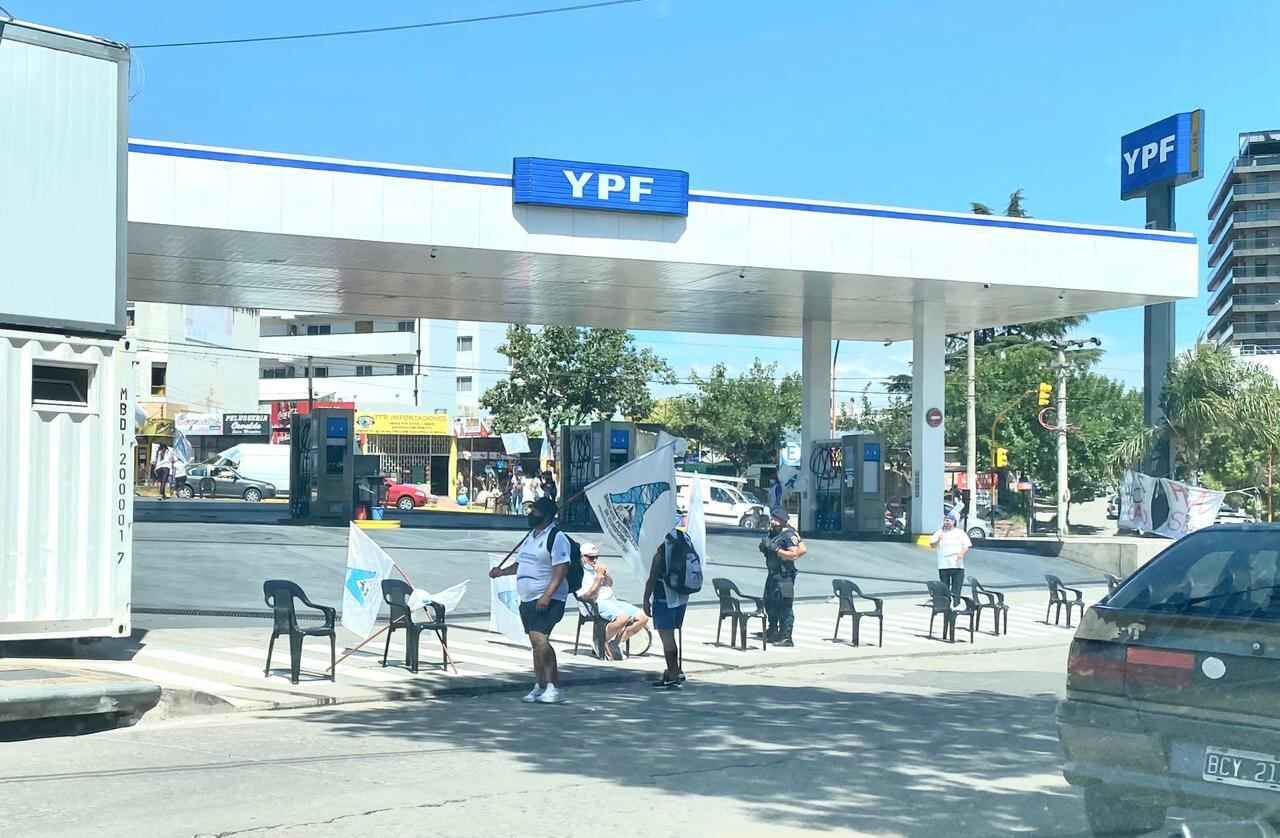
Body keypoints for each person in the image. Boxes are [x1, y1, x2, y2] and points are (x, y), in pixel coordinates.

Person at [488, 497, 569, 704]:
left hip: (548, 598)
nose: (531, 514)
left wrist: (547, 595)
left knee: (539, 638)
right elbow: (520, 564)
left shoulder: (556, 537)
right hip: (527, 598)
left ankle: (555, 686)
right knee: (535, 643)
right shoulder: (530, 537)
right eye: (531, 510)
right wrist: (501, 572)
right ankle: (540, 685)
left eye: (536, 511)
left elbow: (561, 569)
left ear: (548, 515)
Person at [576, 542, 649, 659]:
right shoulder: (581, 573)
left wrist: (607, 575)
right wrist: (599, 577)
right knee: (623, 618)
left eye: (596, 557)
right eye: (590, 557)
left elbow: (610, 584)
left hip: (612, 600)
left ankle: (615, 643)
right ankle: (600, 642)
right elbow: (589, 595)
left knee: (643, 617)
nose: (594, 560)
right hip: (597, 603)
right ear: (582, 557)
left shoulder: (597, 568)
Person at [644, 528, 696, 689]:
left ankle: (673, 676)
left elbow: (652, 576)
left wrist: (646, 599)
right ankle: (675, 670)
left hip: (663, 596)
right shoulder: (683, 537)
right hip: (681, 595)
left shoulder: (661, 544)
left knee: (667, 638)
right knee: (673, 634)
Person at [760, 509, 806, 646]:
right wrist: (765, 548)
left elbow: (796, 554)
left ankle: (787, 636)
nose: (773, 521)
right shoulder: (774, 532)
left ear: (783, 521)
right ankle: (773, 630)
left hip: (784, 576)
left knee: (785, 605)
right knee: (769, 602)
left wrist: (777, 550)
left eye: (776, 519)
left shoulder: (788, 534)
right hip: (773, 574)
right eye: (773, 518)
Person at [929, 514, 972, 605]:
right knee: (945, 587)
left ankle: (956, 604)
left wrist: (961, 553)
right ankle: (946, 605)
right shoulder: (939, 532)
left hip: (957, 565)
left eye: (948, 521)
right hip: (944, 565)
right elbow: (932, 545)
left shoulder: (960, 533)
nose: (946, 522)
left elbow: (966, 546)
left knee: (956, 587)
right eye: (945, 520)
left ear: (954, 522)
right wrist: (938, 540)